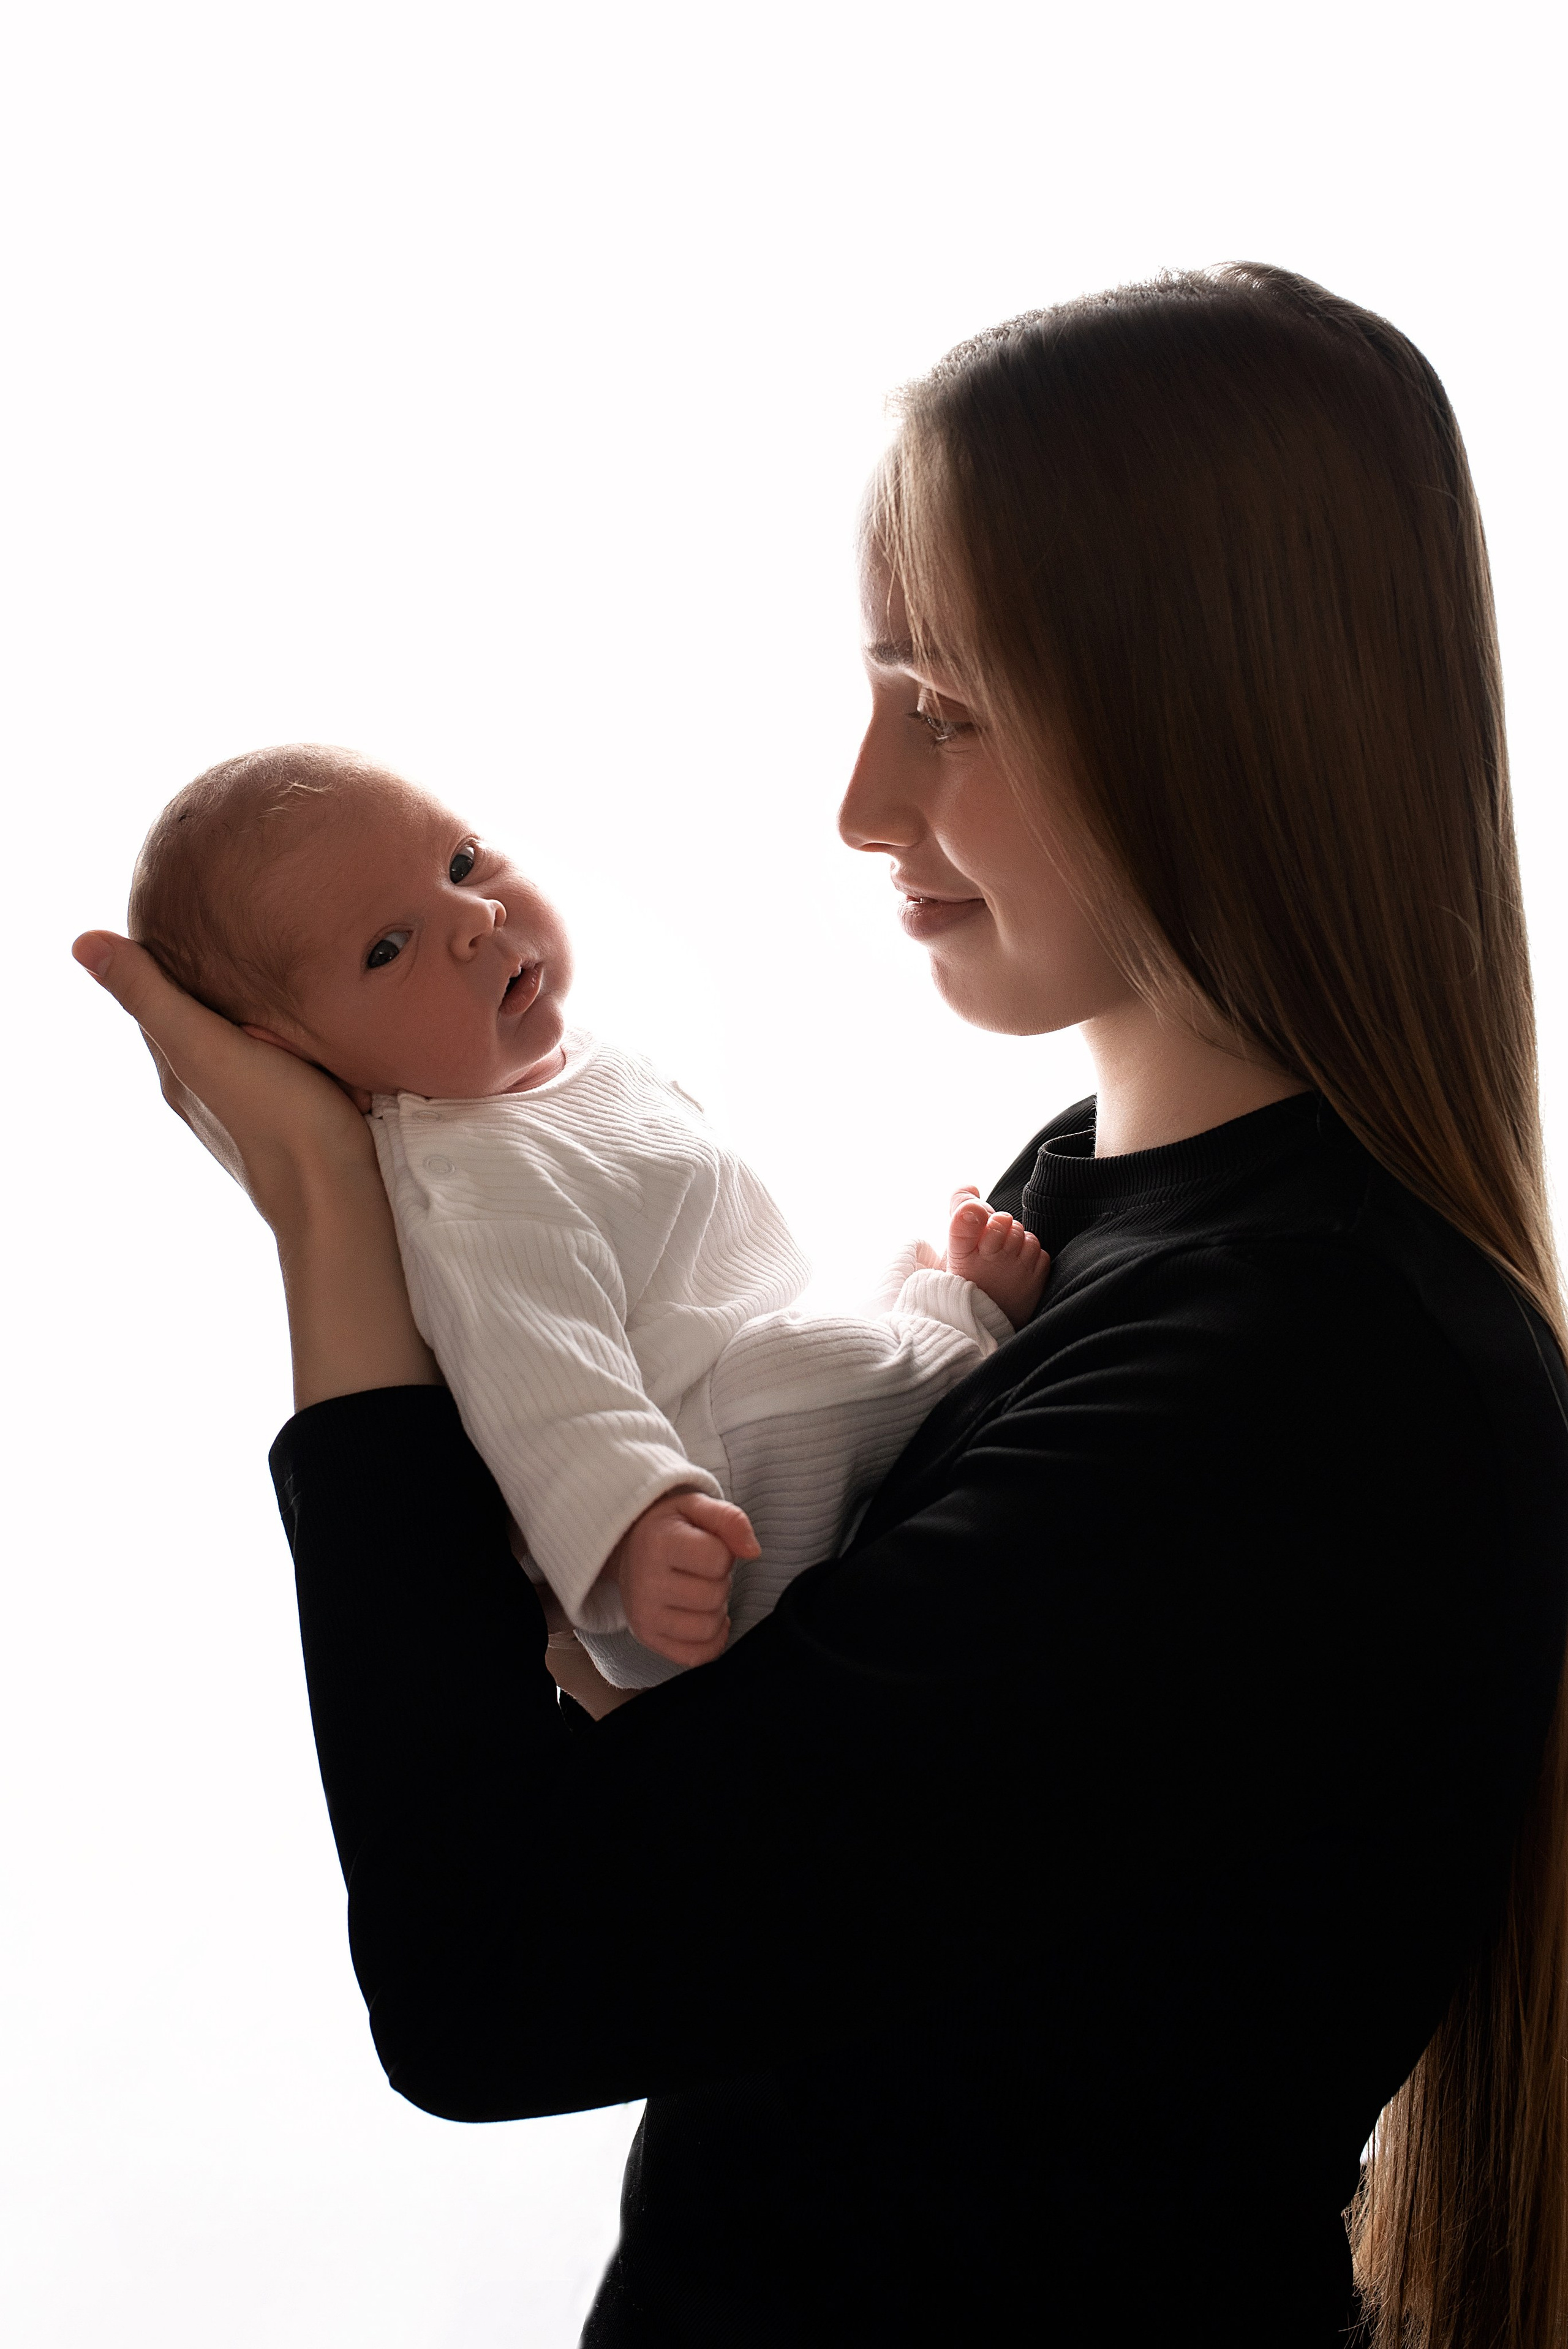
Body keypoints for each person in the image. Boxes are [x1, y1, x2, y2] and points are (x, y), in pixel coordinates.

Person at [74, 263, 1568, 2347]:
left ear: (1226, 718)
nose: (864, 802)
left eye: (945, 707)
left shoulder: (1299, 1382)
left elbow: (493, 1966)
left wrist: (337, 1216)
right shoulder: (1086, 1215)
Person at [124, 747, 1042, 1691]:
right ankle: (961, 1331)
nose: (475, 920)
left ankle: (903, 1327)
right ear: (296, 1058)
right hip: (685, 1520)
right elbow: (544, 1386)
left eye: (462, 862)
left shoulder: (538, 1077)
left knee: (855, 1297)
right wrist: (635, 1524)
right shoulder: (474, 1190)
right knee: (799, 1370)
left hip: (718, 1421)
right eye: (388, 949)